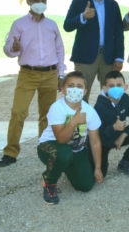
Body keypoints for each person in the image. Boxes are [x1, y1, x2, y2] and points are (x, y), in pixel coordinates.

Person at [0, 0, 66, 168]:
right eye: (36, 0)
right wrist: (15, 47)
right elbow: (8, 50)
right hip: (28, 74)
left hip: (50, 74)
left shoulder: (52, 24)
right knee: (18, 112)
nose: (40, 3)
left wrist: (61, 74)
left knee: (47, 115)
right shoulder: (19, 24)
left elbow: (59, 49)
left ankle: (44, 150)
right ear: (28, 2)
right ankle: (10, 152)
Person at [37, 71, 104, 205]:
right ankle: (49, 183)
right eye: (71, 85)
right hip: (50, 147)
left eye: (79, 86)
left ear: (85, 91)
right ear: (63, 89)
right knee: (64, 154)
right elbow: (61, 139)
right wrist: (74, 121)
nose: (75, 89)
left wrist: (98, 167)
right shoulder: (57, 108)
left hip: (75, 149)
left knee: (86, 186)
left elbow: (95, 141)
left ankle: (65, 167)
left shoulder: (90, 111)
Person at [63, 0, 124, 103]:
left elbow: (118, 32)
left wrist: (119, 57)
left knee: (112, 95)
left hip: (108, 58)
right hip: (85, 58)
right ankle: (80, 123)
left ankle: (110, 123)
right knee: (80, 95)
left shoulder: (112, 4)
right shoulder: (79, 1)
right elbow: (67, 25)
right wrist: (82, 17)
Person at [91, 71, 129, 177]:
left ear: (125, 87)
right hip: (103, 142)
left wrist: (124, 135)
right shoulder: (99, 107)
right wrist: (114, 127)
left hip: (120, 135)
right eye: (111, 86)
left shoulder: (125, 98)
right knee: (101, 173)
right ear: (105, 89)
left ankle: (125, 161)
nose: (116, 88)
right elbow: (98, 135)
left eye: (119, 85)